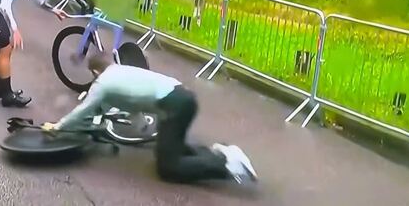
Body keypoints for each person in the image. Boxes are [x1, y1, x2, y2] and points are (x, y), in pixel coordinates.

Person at [42, 55, 258, 184]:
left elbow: (84, 110)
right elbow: (131, 105)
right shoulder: (120, 70)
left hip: (174, 106)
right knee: (172, 148)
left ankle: (227, 164)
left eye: (93, 74)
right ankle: (219, 152)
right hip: (181, 97)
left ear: (96, 71)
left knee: (168, 168)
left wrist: (57, 127)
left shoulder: (103, 83)